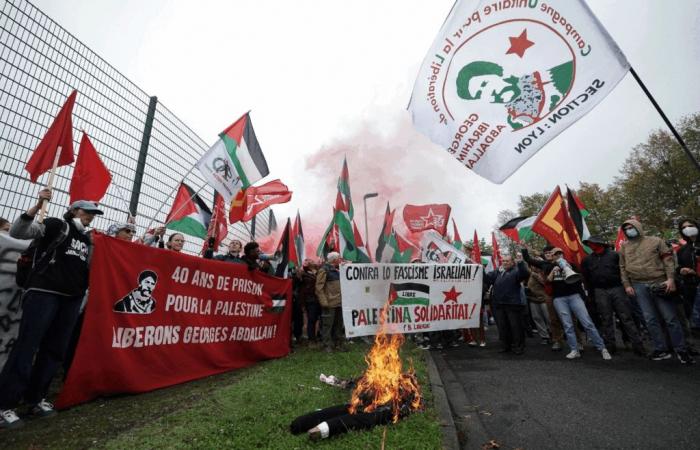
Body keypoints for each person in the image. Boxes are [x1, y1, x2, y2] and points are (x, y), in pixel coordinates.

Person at [0, 189, 102, 428]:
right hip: (44, 293)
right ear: (74, 210)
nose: (90, 216)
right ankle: (5, 404)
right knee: (28, 346)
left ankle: (36, 398)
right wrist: (36, 206)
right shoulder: (57, 225)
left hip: (71, 298)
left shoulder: (88, 239)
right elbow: (19, 231)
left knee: (55, 350)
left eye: (93, 213)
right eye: (87, 211)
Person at [619, 219, 694, 364]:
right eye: (626, 228)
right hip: (638, 285)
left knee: (670, 318)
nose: (629, 230)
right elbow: (622, 267)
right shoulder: (624, 247)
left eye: (631, 227)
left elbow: (668, 261)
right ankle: (661, 349)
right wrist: (627, 284)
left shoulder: (655, 241)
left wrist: (671, 279)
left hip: (660, 282)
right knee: (650, 320)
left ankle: (681, 350)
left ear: (638, 227)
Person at [581, 235, 646, 356]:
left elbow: (624, 271)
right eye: (589, 243)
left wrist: (627, 286)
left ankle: (638, 345)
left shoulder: (614, 255)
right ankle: (610, 346)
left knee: (626, 317)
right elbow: (586, 278)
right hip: (599, 291)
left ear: (600, 243)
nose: (590, 245)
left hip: (617, 289)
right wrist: (590, 294)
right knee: (606, 319)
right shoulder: (587, 260)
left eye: (592, 242)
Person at [544, 248, 611, 360]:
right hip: (559, 298)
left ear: (563, 254)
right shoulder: (550, 266)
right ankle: (574, 349)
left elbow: (579, 280)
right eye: (556, 254)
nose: (558, 255)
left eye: (560, 253)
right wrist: (553, 271)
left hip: (574, 296)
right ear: (553, 256)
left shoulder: (571, 265)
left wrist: (569, 269)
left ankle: (602, 348)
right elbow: (547, 281)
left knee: (587, 322)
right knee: (567, 325)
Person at [484, 254, 529, 355]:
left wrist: (521, 263)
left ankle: (518, 347)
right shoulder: (498, 272)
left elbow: (525, 274)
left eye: (507, 261)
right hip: (499, 304)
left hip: (513, 304)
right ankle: (506, 346)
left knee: (515, 327)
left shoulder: (516, 271)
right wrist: (480, 269)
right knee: (503, 327)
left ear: (512, 262)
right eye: (503, 261)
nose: (505, 263)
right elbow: (487, 279)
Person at [315, 252, 345, 352]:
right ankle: (327, 345)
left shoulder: (339, 269)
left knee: (338, 325)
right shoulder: (324, 270)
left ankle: (338, 344)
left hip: (339, 302)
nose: (340, 260)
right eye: (338, 258)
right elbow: (319, 287)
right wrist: (324, 302)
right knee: (327, 325)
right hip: (329, 303)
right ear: (334, 260)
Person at [676, 218, 700, 332]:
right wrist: (681, 270)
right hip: (689, 287)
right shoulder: (682, 250)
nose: (687, 229)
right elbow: (678, 266)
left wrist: (696, 272)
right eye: (684, 228)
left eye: (690, 225)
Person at [525, 265, 553, 346]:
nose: (534, 267)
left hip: (544, 299)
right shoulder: (529, 275)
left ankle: (553, 334)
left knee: (548, 318)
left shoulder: (543, 273)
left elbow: (545, 282)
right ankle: (545, 337)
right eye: (532, 266)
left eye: (535, 266)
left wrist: (536, 275)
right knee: (537, 318)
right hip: (533, 299)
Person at [297, 259, 321, 345]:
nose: (311, 261)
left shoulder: (318, 272)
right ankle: (311, 339)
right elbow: (298, 278)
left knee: (318, 318)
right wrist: (299, 271)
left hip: (319, 299)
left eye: (310, 260)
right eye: (307, 260)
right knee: (311, 319)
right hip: (310, 299)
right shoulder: (303, 273)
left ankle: (318, 336)